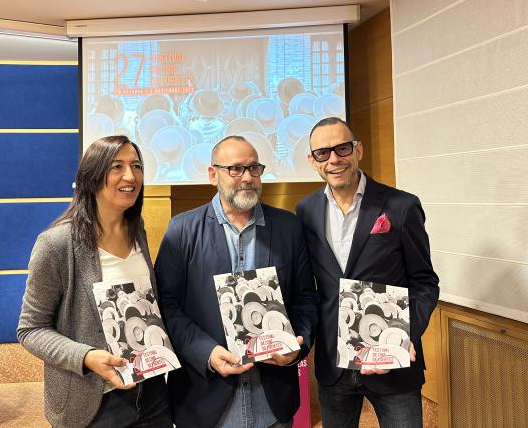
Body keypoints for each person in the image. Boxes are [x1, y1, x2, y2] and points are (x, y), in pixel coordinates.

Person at [154, 135, 318, 428]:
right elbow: (166, 305)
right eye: (236, 169)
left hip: (273, 402)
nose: (247, 178)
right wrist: (206, 353)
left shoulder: (288, 227)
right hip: (204, 399)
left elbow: (306, 297)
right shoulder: (181, 230)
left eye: (254, 169)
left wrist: (297, 349)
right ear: (212, 173)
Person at [17, 135, 172, 428]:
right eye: (117, 166)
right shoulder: (56, 244)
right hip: (94, 400)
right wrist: (86, 356)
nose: (130, 176)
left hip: (150, 390)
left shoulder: (137, 229)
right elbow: (30, 329)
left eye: (136, 166)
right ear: (92, 176)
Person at [295, 117, 439, 428]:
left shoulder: (401, 206)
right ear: (312, 161)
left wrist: (402, 336)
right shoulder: (305, 211)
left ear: (358, 150)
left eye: (342, 148)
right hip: (334, 366)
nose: (334, 159)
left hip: (393, 363)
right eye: (323, 153)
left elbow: (425, 283)